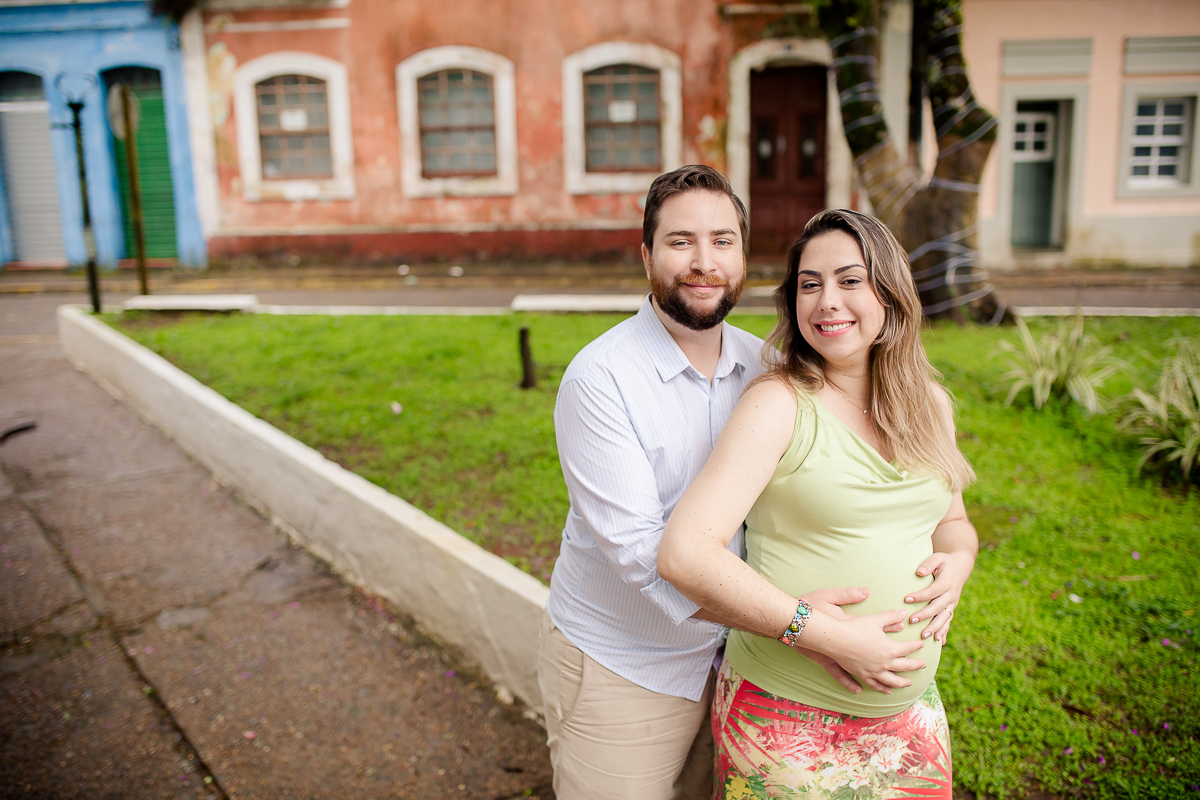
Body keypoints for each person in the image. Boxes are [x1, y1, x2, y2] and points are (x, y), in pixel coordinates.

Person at [538, 169, 957, 800]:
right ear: (647, 254)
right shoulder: (601, 380)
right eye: (681, 242)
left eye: (723, 241)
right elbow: (648, 561)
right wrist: (809, 630)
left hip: (742, 657)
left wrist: (956, 553)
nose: (704, 263)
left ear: (743, 255)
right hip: (628, 661)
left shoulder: (763, 362)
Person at [658, 208, 978, 798]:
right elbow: (684, 554)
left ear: (890, 291)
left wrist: (959, 562)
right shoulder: (778, 404)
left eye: (849, 280)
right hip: (786, 718)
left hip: (910, 720)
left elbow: (953, 523)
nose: (827, 300)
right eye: (810, 284)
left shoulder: (930, 403)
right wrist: (828, 636)